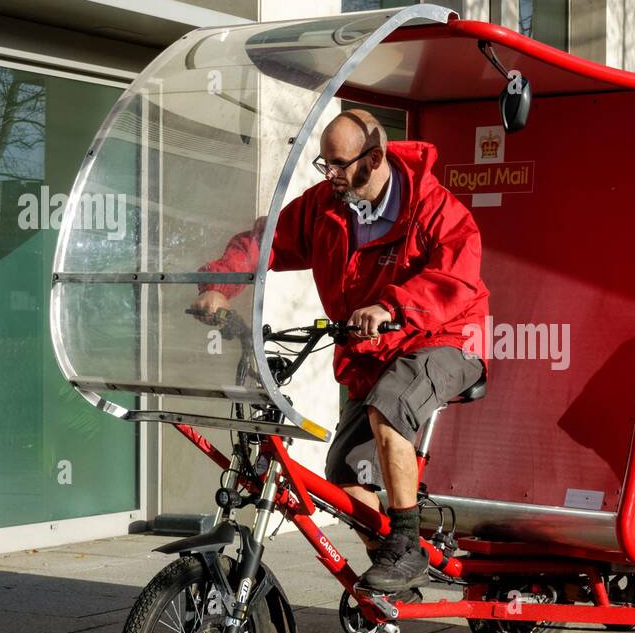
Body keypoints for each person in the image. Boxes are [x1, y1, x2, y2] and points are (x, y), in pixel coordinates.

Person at [190, 109, 489, 592]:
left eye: (338, 164)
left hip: (444, 338)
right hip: (373, 350)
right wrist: (220, 284)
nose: (328, 175)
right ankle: (394, 565)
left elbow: (455, 279)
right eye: (323, 164)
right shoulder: (326, 207)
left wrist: (390, 305)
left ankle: (407, 547)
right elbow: (265, 241)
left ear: (373, 159)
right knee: (343, 480)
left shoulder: (434, 208)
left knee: (389, 410)